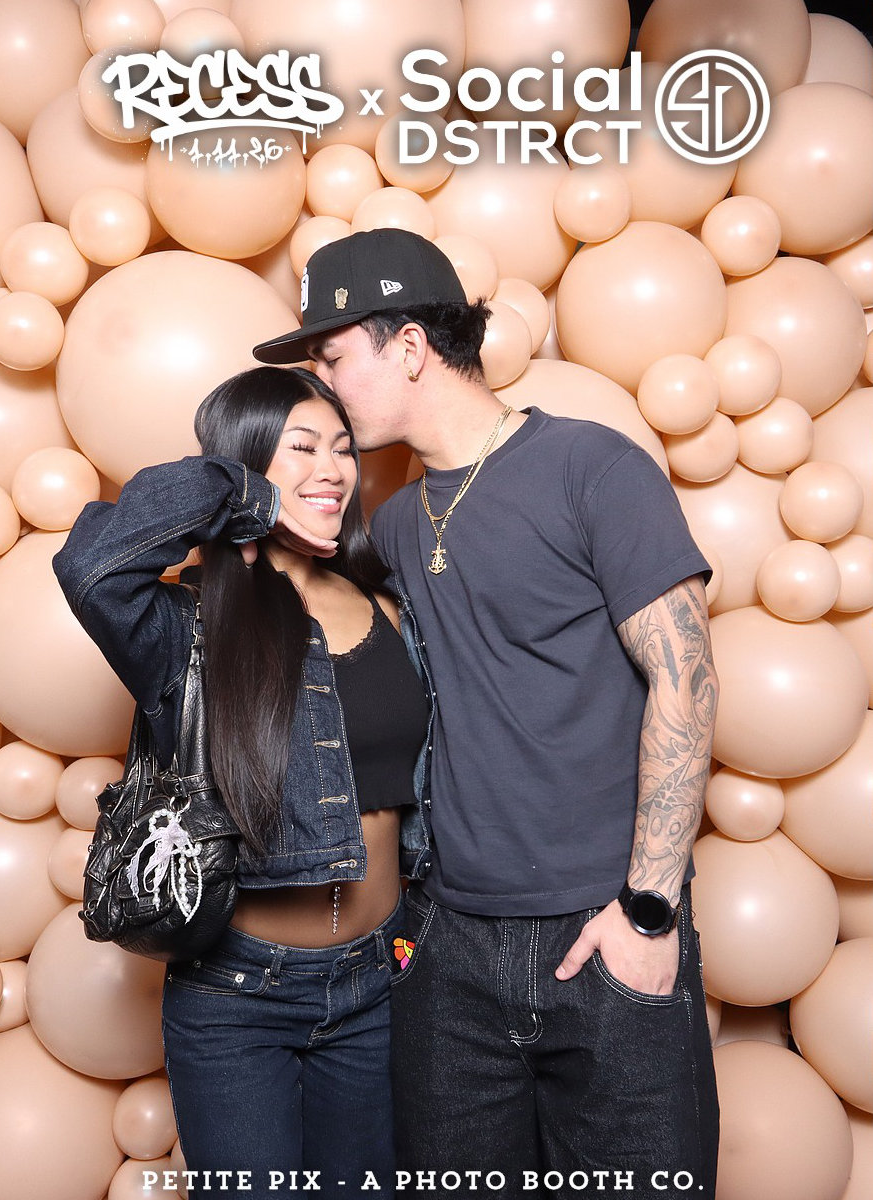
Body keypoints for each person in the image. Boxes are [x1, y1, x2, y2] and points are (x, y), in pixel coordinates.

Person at [252, 230, 721, 1200]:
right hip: (447, 948)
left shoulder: (593, 467)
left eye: (333, 358)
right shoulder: (390, 523)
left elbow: (687, 680)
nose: (323, 387)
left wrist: (648, 911)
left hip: (604, 929)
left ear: (409, 347)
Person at [53, 365, 432, 1200]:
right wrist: (248, 499)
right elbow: (90, 565)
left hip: (382, 977)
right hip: (237, 998)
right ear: (248, 460)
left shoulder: (390, 606)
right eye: (302, 447)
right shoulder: (183, 624)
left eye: (343, 448)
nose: (332, 469)